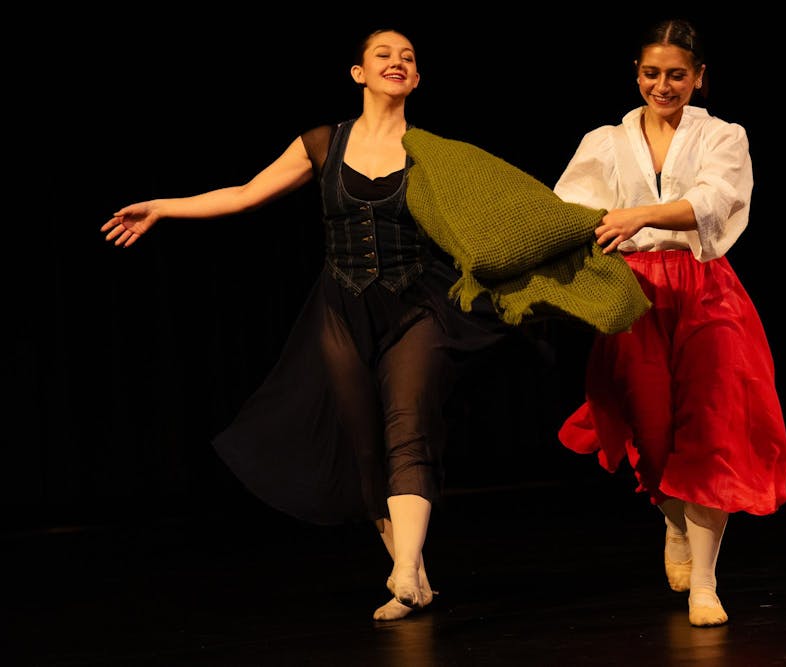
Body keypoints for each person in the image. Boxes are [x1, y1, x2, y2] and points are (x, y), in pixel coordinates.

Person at [101, 28, 521, 622]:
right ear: (358, 73)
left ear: (417, 79)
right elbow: (246, 194)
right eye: (384, 54)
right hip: (341, 309)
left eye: (408, 58)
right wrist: (163, 207)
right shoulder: (322, 143)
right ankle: (415, 579)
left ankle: (404, 568)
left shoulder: (433, 152)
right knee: (364, 445)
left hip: (415, 304)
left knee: (409, 425)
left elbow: (500, 211)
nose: (397, 62)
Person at [552, 18, 786, 627]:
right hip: (633, 293)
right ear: (636, 73)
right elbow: (569, 209)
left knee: (711, 426)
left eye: (677, 74)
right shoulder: (605, 141)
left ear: (699, 77)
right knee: (651, 427)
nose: (663, 85)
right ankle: (673, 518)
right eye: (652, 73)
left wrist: (640, 215)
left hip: (705, 288)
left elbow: (715, 200)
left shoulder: (723, 136)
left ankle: (705, 584)